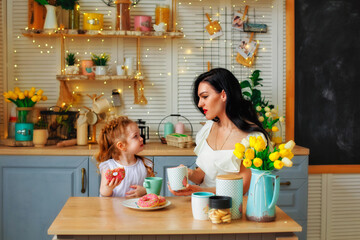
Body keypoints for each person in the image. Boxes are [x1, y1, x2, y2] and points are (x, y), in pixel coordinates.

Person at [170, 68, 269, 196]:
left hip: (230, 208)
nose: (200, 104)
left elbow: (243, 187)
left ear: (223, 95)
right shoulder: (207, 129)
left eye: (205, 96)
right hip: (201, 203)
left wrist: (202, 191)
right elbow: (203, 174)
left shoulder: (254, 138)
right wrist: (189, 173)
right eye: (199, 98)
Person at [95, 116, 154, 197]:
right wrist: (109, 188)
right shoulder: (109, 167)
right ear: (121, 146)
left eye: (139, 135)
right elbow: (103, 193)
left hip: (138, 209)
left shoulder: (145, 165)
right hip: (115, 209)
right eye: (135, 136)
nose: (141, 139)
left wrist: (145, 190)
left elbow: (153, 190)